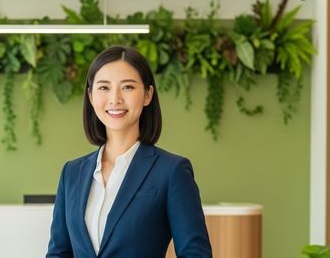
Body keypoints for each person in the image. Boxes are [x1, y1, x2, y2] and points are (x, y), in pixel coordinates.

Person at [47, 46, 212, 257]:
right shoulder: (71, 173)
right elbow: (59, 253)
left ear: (147, 95)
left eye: (127, 87)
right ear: (90, 96)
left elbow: (195, 254)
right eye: (104, 88)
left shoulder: (171, 171)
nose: (115, 99)